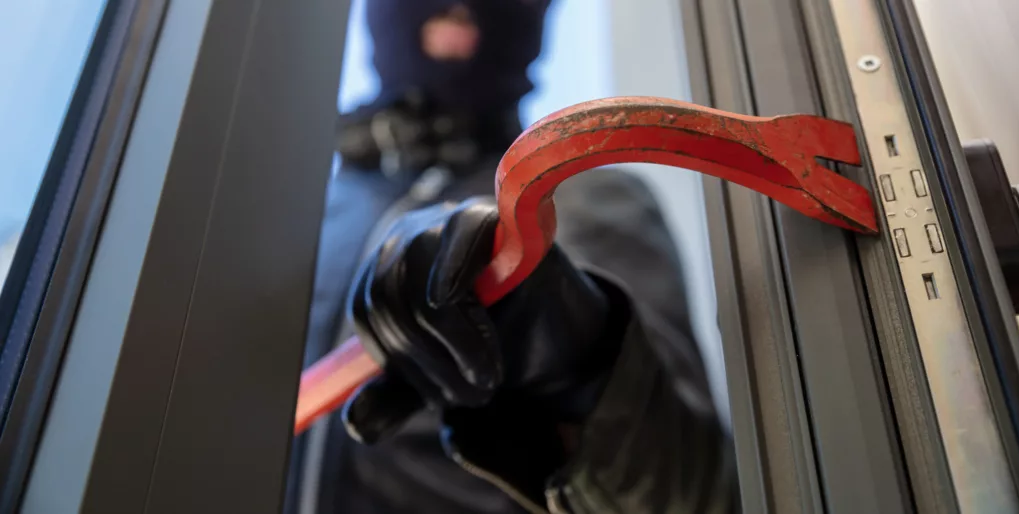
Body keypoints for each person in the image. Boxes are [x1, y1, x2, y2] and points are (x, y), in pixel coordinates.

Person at [290, 1, 738, 513]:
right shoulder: (309, 214)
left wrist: (579, 362)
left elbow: (699, 496)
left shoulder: (580, 199)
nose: (459, 9)